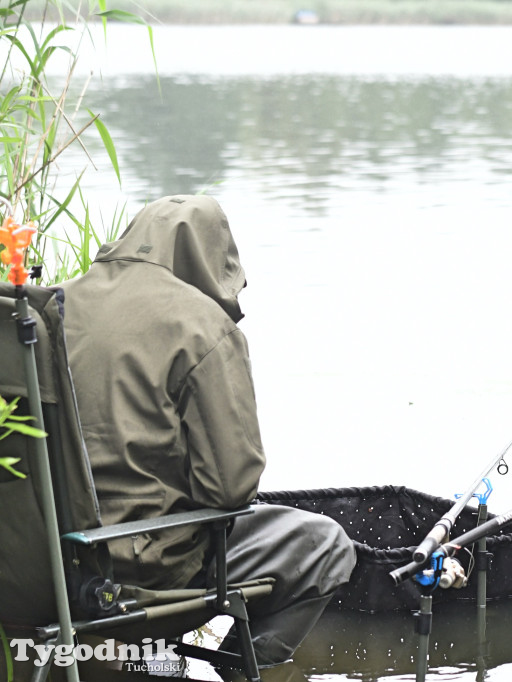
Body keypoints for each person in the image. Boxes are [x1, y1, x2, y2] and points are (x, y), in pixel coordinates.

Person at [62, 194, 356, 669]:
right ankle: (234, 670)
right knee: (325, 545)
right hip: (140, 579)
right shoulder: (200, 325)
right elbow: (231, 486)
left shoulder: (50, 304)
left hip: (40, 568)